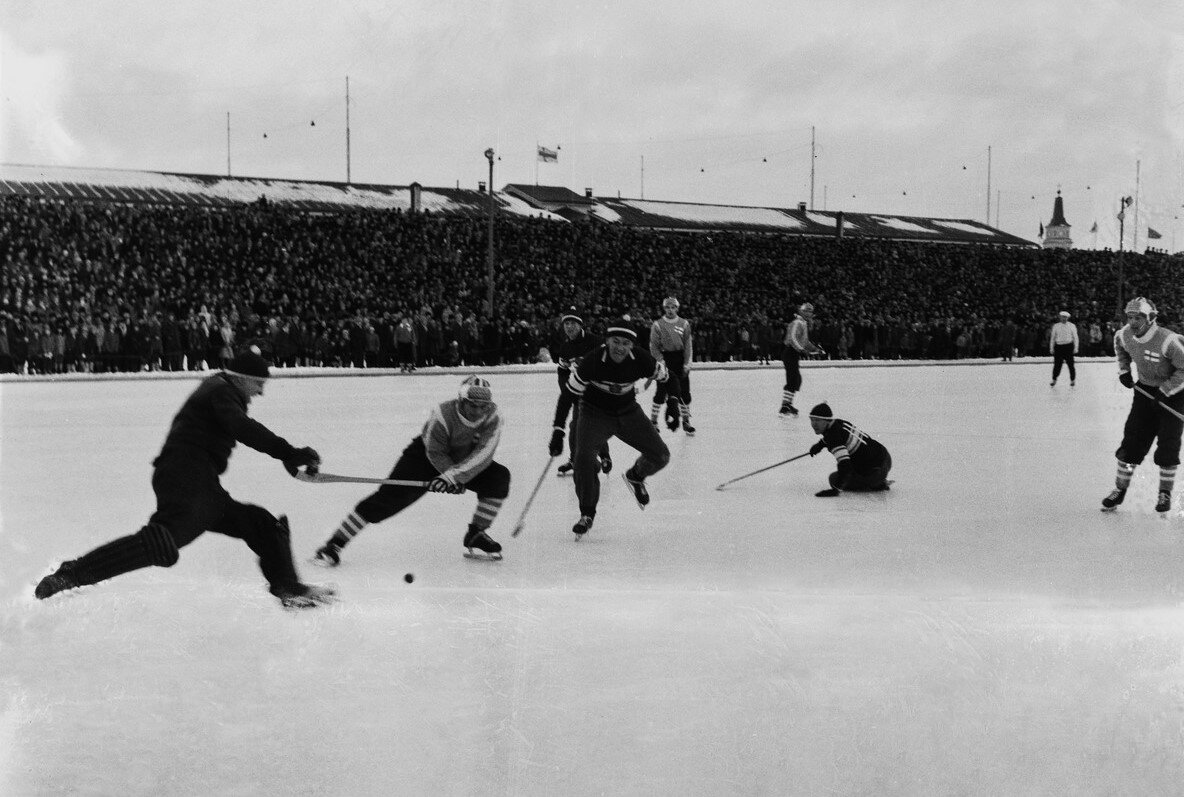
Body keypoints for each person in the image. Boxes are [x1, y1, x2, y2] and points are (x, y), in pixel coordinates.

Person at [34, 348, 331, 609]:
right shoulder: (221, 391)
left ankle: (288, 588)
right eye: (258, 383)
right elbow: (242, 426)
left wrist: (288, 457)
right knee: (161, 542)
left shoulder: (220, 388)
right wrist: (288, 452)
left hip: (197, 482)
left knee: (263, 526)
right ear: (240, 377)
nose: (260, 392)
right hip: (185, 476)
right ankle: (70, 574)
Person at [313, 375, 509, 564]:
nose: (477, 411)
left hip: (465, 463)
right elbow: (435, 451)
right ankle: (334, 544)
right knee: (386, 500)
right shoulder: (443, 414)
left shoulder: (494, 416)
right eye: (472, 405)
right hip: (424, 458)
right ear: (461, 401)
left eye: (483, 406)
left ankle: (477, 534)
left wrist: (453, 478)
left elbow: (484, 454)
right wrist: (450, 477)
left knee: (498, 478)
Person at [566, 320, 670, 536]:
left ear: (632, 345)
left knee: (661, 456)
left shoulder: (641, 358)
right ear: (607, 341)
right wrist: (558, 429)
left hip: (628, 412)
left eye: (625, 343)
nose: (620, 347)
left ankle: (636, 475)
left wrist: (675, 401)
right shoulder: (593, 361)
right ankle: (587, 513)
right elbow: (568, 394)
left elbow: (668, 378)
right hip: (595, 413)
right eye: (615, 342)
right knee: (583, 459)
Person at [1101, 297, 1184, 513]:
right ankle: (1120, 490)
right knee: (1132, 443)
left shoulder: (1168, 340)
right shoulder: (1124, 334)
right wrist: (1124, 371)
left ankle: (1164, 494)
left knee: (1168, 446)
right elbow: (1119, 346)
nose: (1133, 322)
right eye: (1130, 317)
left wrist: (1166, 391)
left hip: (1173, 394)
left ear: (1150, 318)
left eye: (1138, 317)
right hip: (1145, 393)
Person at [548, 309, 611, 477]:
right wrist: (567, 390)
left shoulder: (596, 342)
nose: (569, 327)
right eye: (566, 324)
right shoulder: (566, 348)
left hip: (598, 391)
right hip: (578, 391)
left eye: (573, 324)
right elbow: (562, 371)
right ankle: (575, 460)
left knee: (595, 425)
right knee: (575, 425)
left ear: (580, 325)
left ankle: (604, 455)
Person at [807, 402, 892, 496]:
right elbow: (834, 435)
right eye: (812, 420)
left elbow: (845, 466)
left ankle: (877, 483)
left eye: (817, 420)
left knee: (833, 479)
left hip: (876, 471)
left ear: (827, 420)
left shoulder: (833, 438)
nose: (814, 424)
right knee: (855, 464)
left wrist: (836, 489)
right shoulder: (838, 422)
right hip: (885, 458)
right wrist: (819, 446)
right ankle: (876, 479)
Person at [649, 296, 696, 435]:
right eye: (668, 307)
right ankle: (653, 421)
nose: (670, 310)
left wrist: (687, 363)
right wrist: (660, 360)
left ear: (677, 308)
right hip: (665, 359)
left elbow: (688, 345)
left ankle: (686, 421)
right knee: (661, 392)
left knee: (684, 392)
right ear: (664, 309)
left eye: (673, 307)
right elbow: (654, 346)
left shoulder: (684, 323)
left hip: (679, 358)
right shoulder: (658, 324)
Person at [780, 302, 825, 416]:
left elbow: (805, 342)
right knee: (792, 380)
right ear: (802, 312)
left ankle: (787, 404)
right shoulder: (797, 323)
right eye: (808, 311)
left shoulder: (803, 324)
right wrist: (801, 350)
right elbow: (793, 338)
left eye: (811, 312)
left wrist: (815, 349)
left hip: (794, 353)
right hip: (790, 352)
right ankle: (785, 406)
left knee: (796, 380)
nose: (810, 314)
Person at [1049, 310, 1079, 386]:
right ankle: (1054, 379)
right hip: (1058, 347)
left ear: (1067, 318)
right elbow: (1053, 338)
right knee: (1057, 365)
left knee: (1071, 365)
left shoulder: (1072, 326)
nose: (1063, 319)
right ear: (1060, 317)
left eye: (1065, 317)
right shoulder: (1056, 326)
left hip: (1068, 346)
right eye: (1062, 317)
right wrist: (1051, 348)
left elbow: (1075, 337)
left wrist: (1076, 348)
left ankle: (1072, 380)